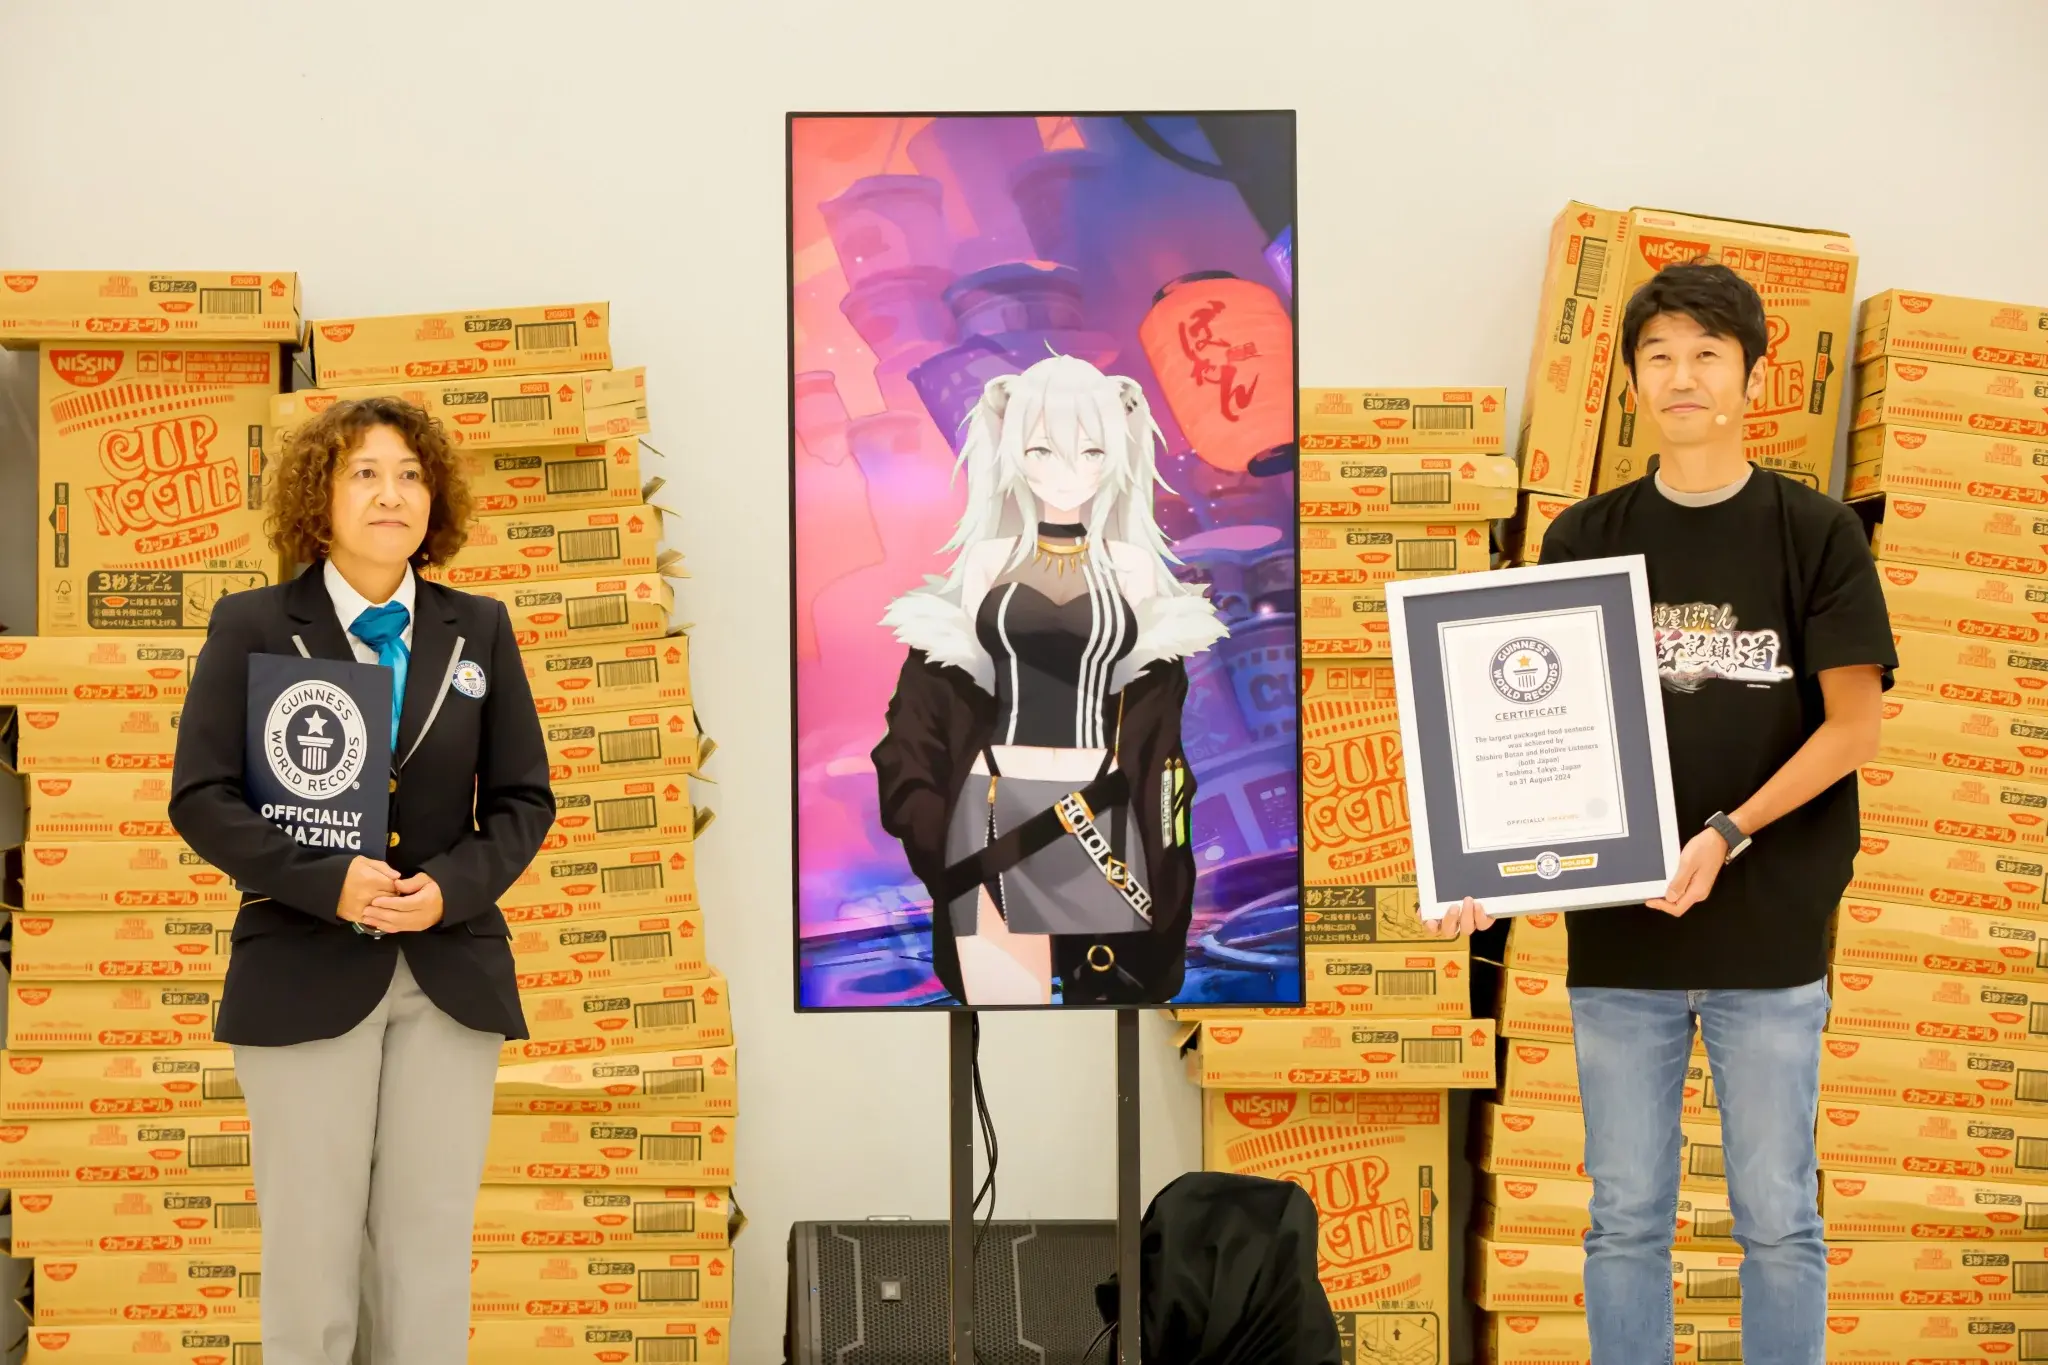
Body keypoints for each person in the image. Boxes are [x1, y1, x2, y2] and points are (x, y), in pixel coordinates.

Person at [1435, 262, 1895, 1365]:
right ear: (1633, 380)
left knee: (1778, 1220)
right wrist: (1485, 862)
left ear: (1747, 374)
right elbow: (1529, 740)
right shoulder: (1581, 539)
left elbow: (1850, 730)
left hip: (1770, 932)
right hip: (1621, 938)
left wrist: (1726, 835)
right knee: (1623, 1221)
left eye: (1704, 355)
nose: (1680, 377)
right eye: (1657, 357)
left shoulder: (1811, 530)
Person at [169, 396, 554, 1365]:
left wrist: (450, 890)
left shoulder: (479, 629)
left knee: (426, 1253)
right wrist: (323, 882)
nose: (393, 495)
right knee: (311, 1253)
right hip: (301, 967)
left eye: (412, 475)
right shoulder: (255, 624)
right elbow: (202, 796)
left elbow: (521, 801)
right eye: (365, 473)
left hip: (448, 973)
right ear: (320, 497)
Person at [872, 354, 1226, 1006]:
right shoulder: (986, 561)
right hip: (992, 805)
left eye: (1090, 451)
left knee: (1109, 1018)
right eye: (1042, 450)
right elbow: (937, 705)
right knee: (1005, 1012)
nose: (1067, 472)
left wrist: (1167, 845)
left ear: (1115, 455)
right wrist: (936, 833)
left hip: (1102, 807)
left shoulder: (1132, 568)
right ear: (1012, 454)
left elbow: (1158, 730)